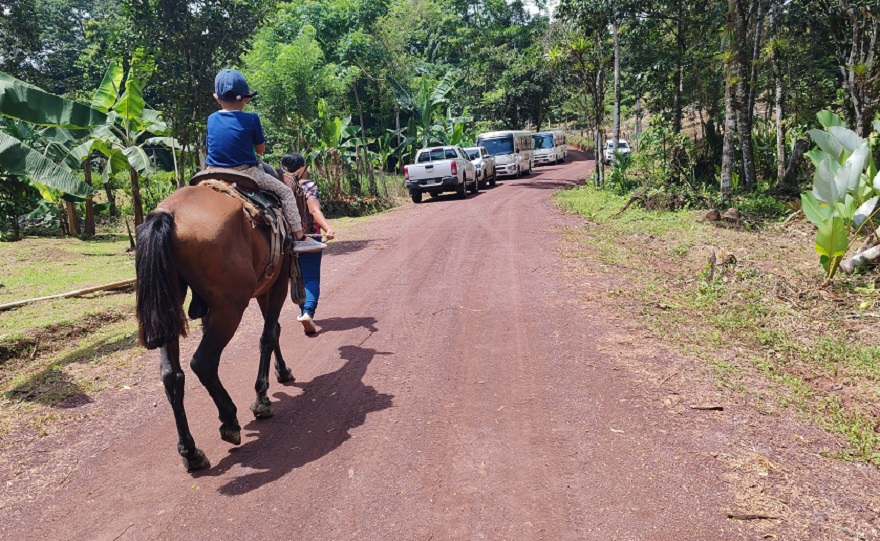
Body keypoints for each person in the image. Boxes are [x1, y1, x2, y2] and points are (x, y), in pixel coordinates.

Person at [206, 69, 325, 253]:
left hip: (211, 171)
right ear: (246, 98)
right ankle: (299, 237)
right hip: (244, 171)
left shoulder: (211, 118)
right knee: (286, 192)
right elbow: (260, 150)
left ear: (217, 98)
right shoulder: (251, 118)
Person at [280, 152, 335, 334]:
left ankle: (304, 312)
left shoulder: (277, 185)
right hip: (309, 237)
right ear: (302, 169)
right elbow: (313, 210)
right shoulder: (308, 185)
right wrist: (327, 228)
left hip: (284, 239)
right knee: (311, 278)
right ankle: (307, 313)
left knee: (297, 278)